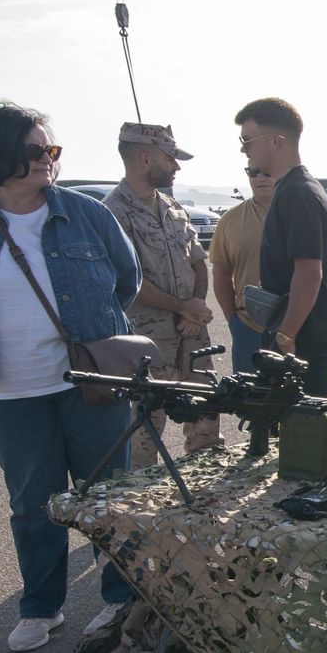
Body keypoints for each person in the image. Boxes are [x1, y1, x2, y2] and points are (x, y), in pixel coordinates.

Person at [0, 102, 139, 652]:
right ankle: (42, 607)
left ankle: (121, 600)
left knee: (107, 494)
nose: (46, 161)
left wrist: (92, 339)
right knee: (33, 500)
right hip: (2, 389)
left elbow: (126, 280)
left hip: (89, 381)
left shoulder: (87, 212)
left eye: (50, 150)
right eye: (32, 151)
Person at [102, 122, 223, 465]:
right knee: (143, 431)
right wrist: (183, 307)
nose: (176, 166)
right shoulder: (111, 215)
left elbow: (199, 262)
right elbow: (129, 281)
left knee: (206, 417)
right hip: (146, 341)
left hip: (192, 335)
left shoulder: (174, 208)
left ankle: (205, 497)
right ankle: (139, 510)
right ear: (144, 157)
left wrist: (195, 310)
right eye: (170, 158)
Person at [234, 97, 327, 396]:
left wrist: (286, 336)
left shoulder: (297, 193)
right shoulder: (294, 188)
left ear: (276, 142)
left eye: (247, 140)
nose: (244, 149)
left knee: (305, 437)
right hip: (299, 336)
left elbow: (309, 274)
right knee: (292, 436)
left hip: (300, 342)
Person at [210, 165, 327, 373]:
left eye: (266, 171)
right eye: (253, 172)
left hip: (301, 328)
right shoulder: (230, 219)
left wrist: (316, 301)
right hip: (249, 330)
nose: (260, 178)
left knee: (309, 402)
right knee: (251, 403)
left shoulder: (306, 208)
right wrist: (234, 321)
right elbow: (220, 272)